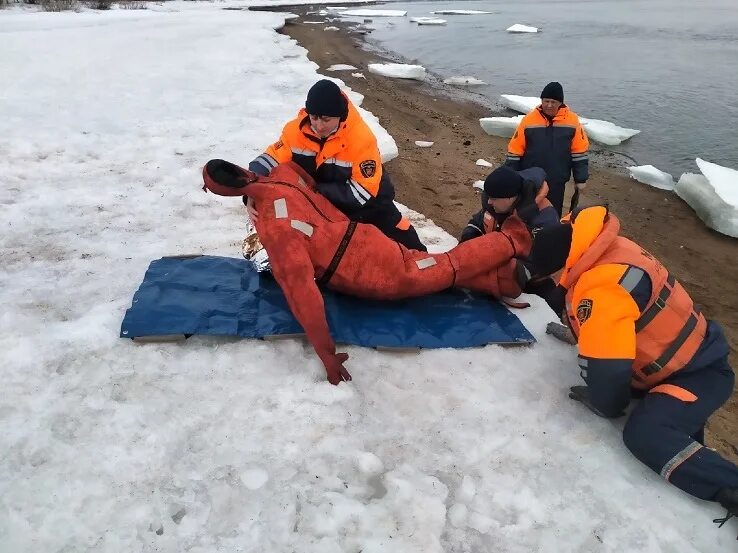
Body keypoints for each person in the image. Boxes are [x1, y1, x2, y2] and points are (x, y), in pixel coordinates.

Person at [202, 159, 532, 385]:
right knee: (431, 268)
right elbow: (306, 183)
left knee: (445, 265)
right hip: (366, 239)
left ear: (227, 193)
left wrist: (326, 354)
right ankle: (495, 279)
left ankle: (511, 240)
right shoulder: (283, 172)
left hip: (367, 271)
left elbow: (302, 295)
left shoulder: (276, 230)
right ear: (240, 170)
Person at [524, 205, 738, 529]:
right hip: (682, 359)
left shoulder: (600, 290)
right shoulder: (601, 247)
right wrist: (580, 331)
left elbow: (609, 374)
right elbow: (627, 315)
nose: (555, 284)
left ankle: (730, 485)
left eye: (550, 277)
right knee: (672, 435)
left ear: (559, 267)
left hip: (697, 374)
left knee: (645, 433)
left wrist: (601, 401)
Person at [247, 79, 426, 251]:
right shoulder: (294, 131)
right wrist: (250, 189)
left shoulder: (361, 139)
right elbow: (269, 160)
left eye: (326, 119)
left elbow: (361, 193)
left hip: (369, 206)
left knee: (411, 248)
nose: (318, 125)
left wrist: (310, 192)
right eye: (314, 117)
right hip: (320, 205)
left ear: (339, 116)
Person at [460, 165, 560, 308]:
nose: (489, 202)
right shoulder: (495, 204)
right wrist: (468, 244)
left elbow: (541, 260)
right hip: (494, 263)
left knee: (549, 306)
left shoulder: (544, 218)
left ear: (509, 198)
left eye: (493, 198)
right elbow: (476, 223)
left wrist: (505, 273)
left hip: (532, 282)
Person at [505, 82, 589, 216]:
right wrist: (510, 174)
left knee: (552, 212)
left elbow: (579, 152)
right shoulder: (529, 120)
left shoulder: (572, 121)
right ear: (541, 101)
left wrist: (581, 179)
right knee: (527, 210)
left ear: (560, 103)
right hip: (530, 177)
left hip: (557, 179)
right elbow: (515, 150)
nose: (549, 105)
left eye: (553, 102)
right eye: (546, 101)